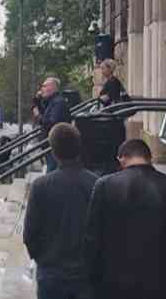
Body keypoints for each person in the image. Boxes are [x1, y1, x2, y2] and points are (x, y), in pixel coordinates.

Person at [23, 123, 98, 299]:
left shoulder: (40, 186)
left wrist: (43, 259)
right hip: (85, 275)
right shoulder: (95, 183)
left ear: (53, 151)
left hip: (51, 274)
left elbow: (30, 234)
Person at [84, 139, 166, 299]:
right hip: (158, 283)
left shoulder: (104, 185)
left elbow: (92, 239)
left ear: (121, 159)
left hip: (113, 284)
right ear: (149, 158)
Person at [40, 77, 71, 172]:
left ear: (53, 87)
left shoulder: (58, 103)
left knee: (52, 171)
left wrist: (40, 118)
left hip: (55, 145)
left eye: (44, 86)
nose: (42, 89)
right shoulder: (52, 102)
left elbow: (53, 123)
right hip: (51, 144)